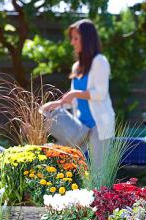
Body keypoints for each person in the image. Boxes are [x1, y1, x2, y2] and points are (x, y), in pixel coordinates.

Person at [42, 19, 115, 169]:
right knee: (74, 169)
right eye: (72, 38)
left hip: (98, 126)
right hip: (80, 127)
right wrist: (57, 104)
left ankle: (100, 194)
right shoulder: (77, 66)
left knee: (98, 171)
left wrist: (74, 94)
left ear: (87, 40)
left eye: (76, 38)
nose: (72, 43)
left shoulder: (100, 61)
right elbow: (73, 100)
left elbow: (100, 93)